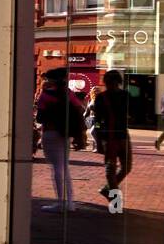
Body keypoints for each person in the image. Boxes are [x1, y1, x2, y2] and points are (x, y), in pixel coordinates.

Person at [35, 68, 85, 212]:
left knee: (56, 168)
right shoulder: (68, 94)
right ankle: (69, 202)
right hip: (66, 133)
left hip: (50, 133)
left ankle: (60, 202)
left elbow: (40, 118)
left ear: (51, 80)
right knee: (64, 167)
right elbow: (79, 109)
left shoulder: (46, 96)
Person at [94, 69, 131, 202]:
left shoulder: (125, 95)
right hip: (108, 136)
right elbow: (97, 121)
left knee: (126, 167)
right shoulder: (101, 97)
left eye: (114, 82)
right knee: (111, 168)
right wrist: (98, 139)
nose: (112, 84)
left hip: (121, 134)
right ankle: (115, 201)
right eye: (110, 82)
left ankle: (107, 189)